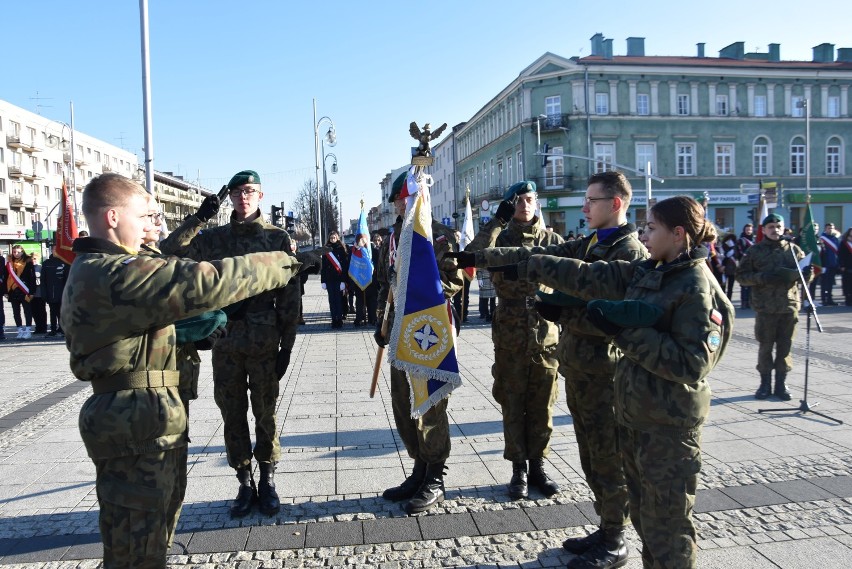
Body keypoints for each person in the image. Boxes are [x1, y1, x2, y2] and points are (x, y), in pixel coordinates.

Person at [462, 195, 733, 569]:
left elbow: (691, 363)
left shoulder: (697, 287)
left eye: (652, 228)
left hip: (669, 428)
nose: (644, 234)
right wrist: (511, 264)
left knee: (667, 527)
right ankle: (614, 534)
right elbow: (587, 275)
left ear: (679, 233)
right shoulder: (652, 271)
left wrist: (621, 330)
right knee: (644, 518)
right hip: (637, 415)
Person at [62, 172, 302, 568]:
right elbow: (204, 279)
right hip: (135, 423)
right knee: (136, 550)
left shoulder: (107, 267)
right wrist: (282, 262)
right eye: (143, 215)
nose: (150, 224)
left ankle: (266, 477)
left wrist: (184, 333)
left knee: (152, 537)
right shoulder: (113, 272)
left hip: (145, 417)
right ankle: (245, 480)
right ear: (111, 217)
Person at [455, 171, 647, 567]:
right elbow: (529, 259)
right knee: (591, 454)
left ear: (614, 204)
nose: (583, 206)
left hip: (605, 372)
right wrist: (477, 257)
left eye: (591, 200)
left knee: (609, 455)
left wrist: (568, 309)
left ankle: (616, 539)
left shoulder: (628, 252)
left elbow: (607, 303)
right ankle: (607, 527)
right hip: (577, 364)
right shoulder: (592, 242)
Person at [161, 169, 302, 519]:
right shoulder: (214, 238)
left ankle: (267, 479)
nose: (243, 196)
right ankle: (244, 480)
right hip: (225, 340)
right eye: (237, 191)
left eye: (250, 191)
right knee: (231, 412)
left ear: (261, 196)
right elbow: (169, 251)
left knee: (265, 411)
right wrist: (200, 216)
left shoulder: (276, 238)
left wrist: (287, 345)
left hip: (264, 338)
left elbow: (290, 297)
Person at [462, 180, 564, 501]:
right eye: (518, 200)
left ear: (537, 203)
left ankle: (538, 466)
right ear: (510, 204)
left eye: (529, 199)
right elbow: (470, 257)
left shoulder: (553, 240)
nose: (524, 204)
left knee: (542, 405)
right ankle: (518, 468)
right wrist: (497, 221)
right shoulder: (500, 237)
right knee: (513, 402)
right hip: (509, 334)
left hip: (545, 336)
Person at [374, 171, 463, 515]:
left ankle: (436, 476)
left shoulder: (437, 235)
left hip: (428, 331)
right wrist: (381, 321)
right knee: (402, 403)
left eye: (409, 199)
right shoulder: (394, 238)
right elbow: (384, 283)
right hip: (398, 333)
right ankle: (419, 468)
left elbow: (454, 279)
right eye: (401, 200)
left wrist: (420, 292)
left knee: (429, 405)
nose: (403, 205)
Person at [737, 213, 811, 401]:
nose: (775, 230)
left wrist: (807, 273)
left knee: (785, 347)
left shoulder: (794, 250)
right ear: (764, 229)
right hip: (766, 308)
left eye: (778, 226)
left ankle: (781, 384)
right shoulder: (755, 251)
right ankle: (764, 384)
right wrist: (761, 278)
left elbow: (804, 278)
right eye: (771, 227)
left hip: (789, 306)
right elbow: (741, 276)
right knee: (765, 347)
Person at [5, 244, 36, 339]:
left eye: (18, 252)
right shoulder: (9, 263)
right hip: (13, 290)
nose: (16, 254)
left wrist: (32, 291)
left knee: (27, 310)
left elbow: (32, 278)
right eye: (14, 252)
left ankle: (27, 330)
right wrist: (6, 291)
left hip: (24, 290)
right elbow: (7, 277)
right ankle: (19, 330)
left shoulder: (28, 262)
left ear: (22, 252)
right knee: (16, 311)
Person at [321, 230, 349, 329]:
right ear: (329, 238)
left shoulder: (341, 249)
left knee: (338, 300)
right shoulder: (325, 250)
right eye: (331, 238)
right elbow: (323, 267)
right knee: (331, 300)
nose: (333, 239)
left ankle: (339, 319)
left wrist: (343, 281)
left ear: (337, 238)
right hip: (329, 279)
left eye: (334, 237)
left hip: (338, 279)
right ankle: (334, 319)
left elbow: (344, 266)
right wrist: (323, 281)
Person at [40, 252, 69, 337]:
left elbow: (67, 279)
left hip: (62, 292)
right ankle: (53, 329)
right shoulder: (47, 263)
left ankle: (63, 329)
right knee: (52, 312)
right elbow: (43, 279)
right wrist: (44, 293)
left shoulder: (65, 262)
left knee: (62, 312)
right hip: (51, 292)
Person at [819, 222, 840, 306]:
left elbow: (838, 252)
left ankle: (830, 299)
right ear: (825, 229)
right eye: (829, 228)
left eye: (832, 228)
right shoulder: (822, 239)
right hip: (825, 265)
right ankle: (824, 299)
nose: (830, 229)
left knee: (831, 283)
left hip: (833, 264)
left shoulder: (835, 239)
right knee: (824, 283)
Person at [736, 224, 755, 309]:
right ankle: (744, 302)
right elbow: (740, 252)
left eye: (750, 230)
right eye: (747, 229)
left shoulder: (754, 240)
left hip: (753, 266)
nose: (749, 231)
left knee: (751, 284)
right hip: (744, 265)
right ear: (744, 230)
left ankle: (750, 302)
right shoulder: (741, 240)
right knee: (744, 285)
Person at [30, 252, 48, 335]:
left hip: (40, 292)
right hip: (32, 293)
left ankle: (43, 327)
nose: (33, 260)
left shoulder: (41, 267)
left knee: (41, 310)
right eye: (32, 258)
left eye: (34, 258)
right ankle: (38, 327)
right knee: (34, 311)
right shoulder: (29, 267)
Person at [720, 231, 738, 300]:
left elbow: (736, 256)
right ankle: (723, 300)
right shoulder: (723, 246)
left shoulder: (735, 247)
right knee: (723, 286)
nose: (730, 241)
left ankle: (729, 300)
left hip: (732, 269)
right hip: (725, 268)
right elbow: (724, 256)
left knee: (730, 287)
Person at [840, 227, 852, 306]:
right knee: (848, 284)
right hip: (847, 267)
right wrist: (842, 265)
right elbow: (841, 255)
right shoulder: (844, 243)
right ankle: (848, 300)